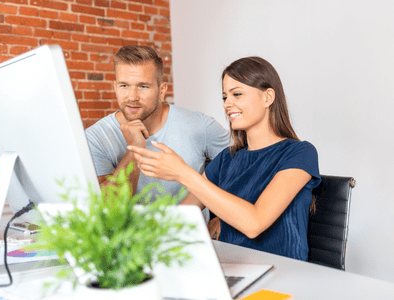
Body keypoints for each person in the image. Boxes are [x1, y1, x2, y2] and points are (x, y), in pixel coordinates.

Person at [127, 56, 321, 261]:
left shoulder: (300, 153)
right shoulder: (226, 159)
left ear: (268, 97)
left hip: (284, 276)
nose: (227, 104)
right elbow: (180, 218)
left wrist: (182, 173)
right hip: (234, 270)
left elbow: (254, 223)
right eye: (224, 97)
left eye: (237, 94)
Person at [85, 45, 229, 201]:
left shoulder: (200, 125)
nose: (132, 97)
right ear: (115, 87)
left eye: (143, 86)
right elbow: (107, 208)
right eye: (124, 86)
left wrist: (222, 219)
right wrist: (134, 151)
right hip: (132, 226)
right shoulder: (95, 138)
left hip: (189, 225)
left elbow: (242, 170)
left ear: (162, 91)